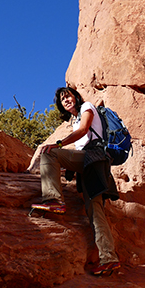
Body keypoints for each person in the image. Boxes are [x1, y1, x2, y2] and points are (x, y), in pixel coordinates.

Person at [33, 86, 120, 276]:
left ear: (76, 97)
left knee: (50, 154)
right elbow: (79, 142)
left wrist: (58, 144)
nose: (66, 100)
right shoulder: (74, 120)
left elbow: (84, 130)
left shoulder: (87, 107)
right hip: (90, 164)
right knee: (95, 212)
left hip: (94, 158)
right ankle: (109, 258)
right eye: (62, 99)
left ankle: (54, 199)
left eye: (68, 96)